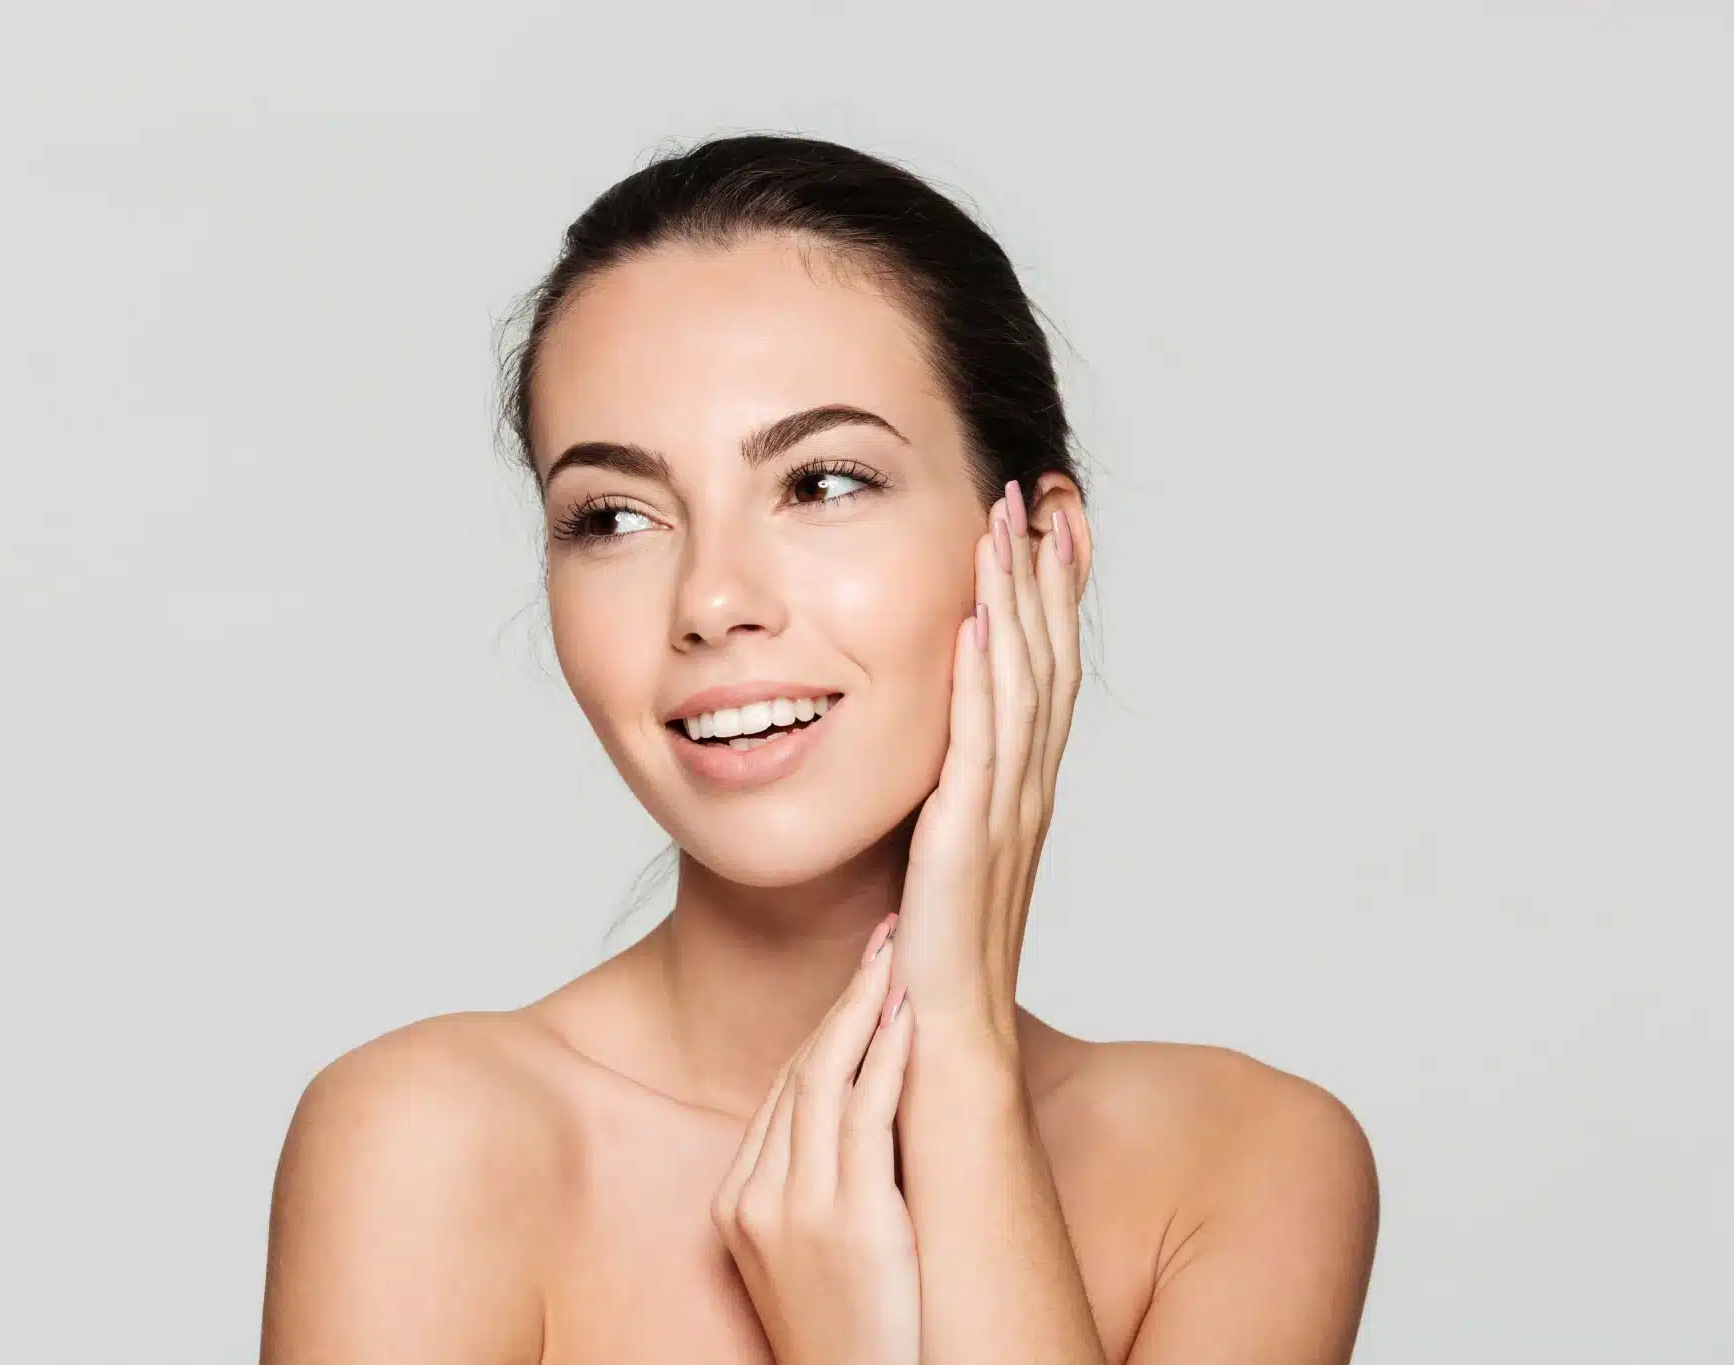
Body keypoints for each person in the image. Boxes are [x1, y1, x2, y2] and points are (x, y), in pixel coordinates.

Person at [258, 133, 1380, 1365]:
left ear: (1038, 547)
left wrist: (957, 1070)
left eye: (822, 484)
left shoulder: (1240, 1166)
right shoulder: (429, 1145)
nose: (710, 600)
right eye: (614, 515)